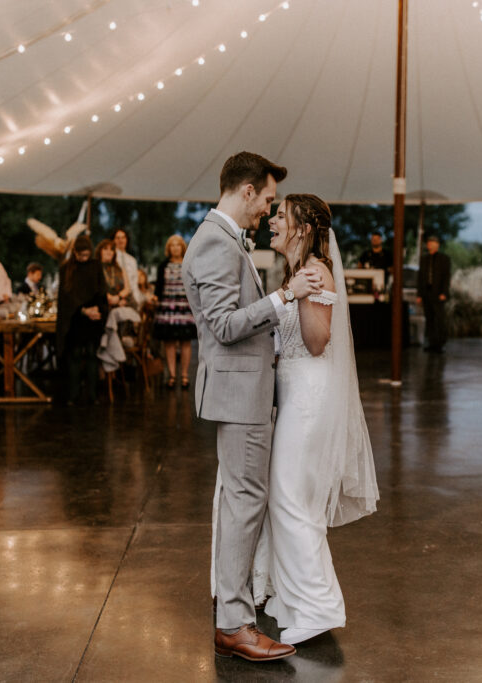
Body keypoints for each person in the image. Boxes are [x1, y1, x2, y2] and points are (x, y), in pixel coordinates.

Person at [181, 151, 321, 663]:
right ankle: (234, 624)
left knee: (244, 502)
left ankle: (234, 612)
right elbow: (222, 326)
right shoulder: (216, 243)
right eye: (265, 198)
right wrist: (284, 297)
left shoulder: (222, 239)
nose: (267, 209)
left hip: (245, 389)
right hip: (240, 395)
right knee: (244, 505)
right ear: (245, 191)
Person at [243, 193, 379, 648]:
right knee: (290, 498)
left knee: (291, 500)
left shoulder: (314, 270)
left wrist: (298, 298)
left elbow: (319, 341)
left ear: (302, 227)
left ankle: (319, 607)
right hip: (297, 392)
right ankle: (297, 599)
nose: (272, 223)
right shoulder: (300, 271)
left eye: (280, 217)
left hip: (310, 397)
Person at [55, 235, 107, 405]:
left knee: (92, 355)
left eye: (86, 255)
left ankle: (93, 395)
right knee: (75, 355)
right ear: (75, 253)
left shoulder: (95, 266)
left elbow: (101, 290)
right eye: (81, 255)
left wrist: (97, 310)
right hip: (75, 318)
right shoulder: (66, 269)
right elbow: (66, 297)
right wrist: (83, 310)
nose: (84, 259)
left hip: (93, 318)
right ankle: (73, 395)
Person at [154, 235, 197, 388]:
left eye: (178, 245)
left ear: (182, 247)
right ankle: (171, 376)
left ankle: (184, 375)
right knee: (169, 343)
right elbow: (158, 289)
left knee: (186, 342)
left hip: (185, 308)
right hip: (167, 309)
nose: (175, 248)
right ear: (168, 248)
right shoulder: (163, 266)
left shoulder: (189, 264)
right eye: (172, 245)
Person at [416, 234, 451, 352]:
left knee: (439, 318)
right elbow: (420, 277)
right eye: (429, 242)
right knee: (429, 318)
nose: (431, 245)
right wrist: (419, 294)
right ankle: (431, 342)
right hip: (427, 292)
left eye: (433, 242)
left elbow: (446, 277)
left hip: (438, 293)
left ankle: (440, 342)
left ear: (438, 245)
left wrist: (444, 293)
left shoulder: (444, 259)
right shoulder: (424, 259)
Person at [97, 239, 134, 309]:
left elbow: (127, 289)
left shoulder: (120, 269)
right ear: (100, 251)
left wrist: (118, 297)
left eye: (111, 250)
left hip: (121, 302)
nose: (109, 252)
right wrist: (109, 298)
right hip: (103, 304)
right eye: (105, 249)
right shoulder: (95, 268)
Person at [113, 228, 144, 310]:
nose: (121, 240)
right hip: (117, 297)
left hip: (131, 299)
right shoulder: (112, 258)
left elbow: (134, 283)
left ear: (127, 240)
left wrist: (137, 301)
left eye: (123, 237)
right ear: (113, 240)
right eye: (118, 238)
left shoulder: (132, 260)